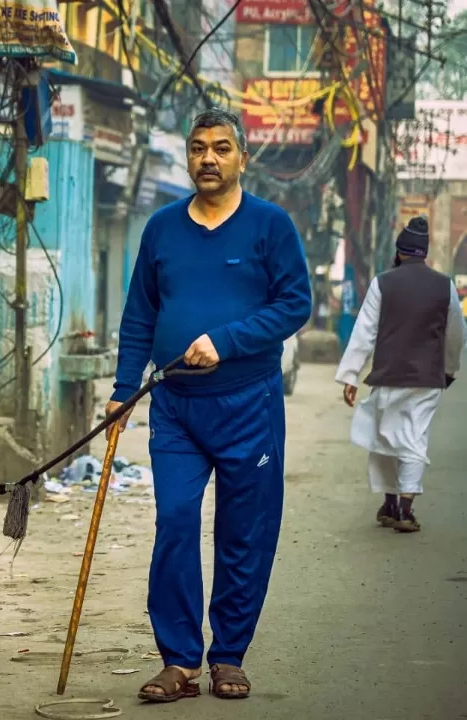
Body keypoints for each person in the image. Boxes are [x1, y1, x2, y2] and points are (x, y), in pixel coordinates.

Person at [106, 108, 312, 702]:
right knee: (174, 521)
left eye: (222, 148)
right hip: (173, 405)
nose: (209, 159)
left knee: (243, 532)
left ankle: (227, 656)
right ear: (189, 156)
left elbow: (295, 303)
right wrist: (123, 390)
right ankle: (178, 661)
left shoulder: (271, 226)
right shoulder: (161, 229)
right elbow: (140, 312)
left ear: (242, 157)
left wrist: (226, 340)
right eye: (199, 148)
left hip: (248, 403)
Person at [334, 217, 464, 533]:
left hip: (388, 376)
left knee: (384, 438)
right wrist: (448, 369)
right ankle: (404, 509)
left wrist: (351, 374)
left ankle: (391, 503)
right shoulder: (444, 285)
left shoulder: (383, 282)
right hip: (426, 380)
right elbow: (456, 335)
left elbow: (364, 331)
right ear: (424, 252)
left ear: (400, 251)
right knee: (414, 438)